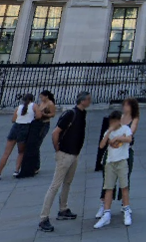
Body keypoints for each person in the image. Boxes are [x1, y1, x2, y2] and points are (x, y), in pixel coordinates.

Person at [38, 91, 91, 233]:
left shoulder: (82, 113)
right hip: (65, 153)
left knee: (68, 182)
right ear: (83, 101)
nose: (90, 101)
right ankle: (43, 218)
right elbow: (56, 132)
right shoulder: (70, 114)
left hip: (74, 154)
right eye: (88, 99)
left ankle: (63, 208)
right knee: (55, 185)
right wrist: (58, 149)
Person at [93, 109, 134, 229]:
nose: (113, 124)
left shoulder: (125, 129)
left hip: (121, 161)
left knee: (124, 186)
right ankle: (106, 213)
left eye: (114, 122)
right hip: (110, 162)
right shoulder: (109, 131)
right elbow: (101, 145)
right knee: (108, 188)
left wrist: (117, 138)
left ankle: (126, 210)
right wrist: (109, 132)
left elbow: (129, 139)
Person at [0, 93, 35, 180]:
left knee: (6, 153)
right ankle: (16, 170)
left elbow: (13, 120)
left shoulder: (18, 107)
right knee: (21, 152)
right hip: (25, 128)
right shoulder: (33, 106)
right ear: (32, 99)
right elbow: (38, 116)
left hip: (15, 128)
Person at [18, 90, 55, 178]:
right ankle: (34, 164)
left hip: (44, 123)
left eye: (42, 96)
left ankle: (36, 166)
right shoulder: (41, 103)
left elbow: (53, 114)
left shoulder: (50, 104)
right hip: (38, 123)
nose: (41, 98)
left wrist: (44, 114)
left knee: (37, 143)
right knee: (34, 143)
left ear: (46, 96)